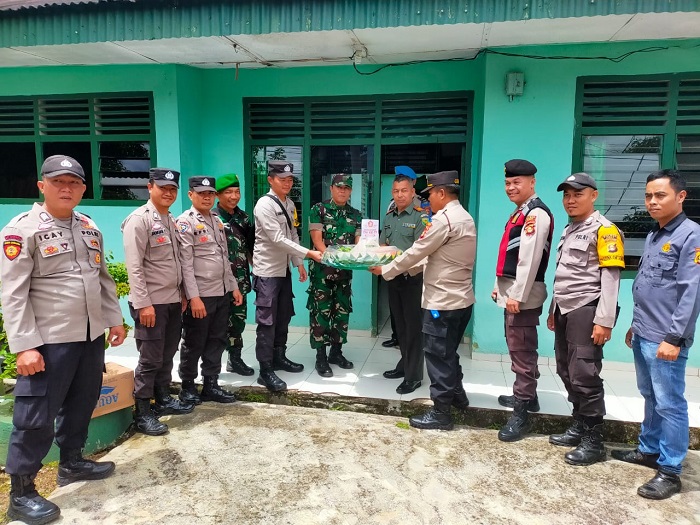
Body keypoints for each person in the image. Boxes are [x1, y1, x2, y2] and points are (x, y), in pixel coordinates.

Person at [1, 155, 125, 524]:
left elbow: (102, 279)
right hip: (49, 341)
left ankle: (71, 462)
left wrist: (114, 320)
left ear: (84, 188)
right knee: (35, 415)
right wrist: (24, 345)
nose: (67, 188)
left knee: (82, 401)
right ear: (42, 186)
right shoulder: (22, 229)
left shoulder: (89, 227)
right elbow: (13, 293)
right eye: (58, 181)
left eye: (74, 182)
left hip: (89, 336)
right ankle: (21, 493)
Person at [610, 169, 700, 499]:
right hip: (645, 332)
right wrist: (636, 324)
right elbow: (650, 285)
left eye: (659, 195)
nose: (652, 201)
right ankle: (648, 450)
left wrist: (674, 338)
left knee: (670, 403)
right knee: (649, 395)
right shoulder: (654, 234)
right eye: (648, 195)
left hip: (666, 338)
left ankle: (671, 470)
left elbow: (691, 293)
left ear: (680, 197)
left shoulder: (692, 236)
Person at [371, 170, 476, 429]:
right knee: (449, 351)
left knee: (438, 355)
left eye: (430, 194)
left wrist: (387, 271)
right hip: (461, 299)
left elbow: (417, 251)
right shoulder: (464, 217)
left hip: (442, 300)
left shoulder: (443, 220)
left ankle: (441, 413)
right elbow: (432, 258)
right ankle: (458, 397)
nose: (428, 200)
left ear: (441, 193)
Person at [546, 172, 624, 465]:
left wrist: (604, 320)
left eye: (577, 194)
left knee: (584, 372)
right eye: (566, 195)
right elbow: (564, 274)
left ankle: (594, 439)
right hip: (565, 308)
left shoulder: (605, 230)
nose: (570, 200)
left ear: (594, 195)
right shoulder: (570, 229)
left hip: (587, 309)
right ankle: (579, 422)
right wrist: (554, 309)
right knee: (565, 368)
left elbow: (610, 278)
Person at [122, 168, 194, 437]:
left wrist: (183, 294)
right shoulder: (139, 220)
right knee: (150, 358)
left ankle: (163, 399)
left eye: (172, 189)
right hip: (151, 303)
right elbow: (134, 266)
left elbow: (177, 262)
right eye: (162, 187)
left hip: (173, 300)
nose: (168, 193)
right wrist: (143, 304)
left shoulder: (170, 219)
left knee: (167, 354)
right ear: (149, 187)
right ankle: (142, 413)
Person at [492, 159, 554, 442]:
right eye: (507, 183)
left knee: (522, 351)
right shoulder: (520, 212)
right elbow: (509, 253)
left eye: (517, 182)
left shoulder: (536, 214)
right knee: (518, 347)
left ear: (532, 183)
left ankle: (522, 413)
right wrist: (499, 286)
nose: (511, 187)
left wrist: (516, 294)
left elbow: (530, 260)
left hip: (523, 296)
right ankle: (528, 397)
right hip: (513, 291)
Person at [253, 161, 322, 392]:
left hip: (284, 271)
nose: (287, 183)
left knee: (283, 316)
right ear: (271, 179)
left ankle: (278, 357)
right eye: (282, 179)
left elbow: (292, 233)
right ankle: (265, 370)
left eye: (290, 179)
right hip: (267, 272)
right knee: (267, 321)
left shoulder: (289, 203)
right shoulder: (264, 204)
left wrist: (299, 264)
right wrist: (309, 253)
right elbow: (277, 239)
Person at [176, 176, 243, 405]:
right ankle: (187, 386)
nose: (206, 197)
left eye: (210, 193)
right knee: (195, 341)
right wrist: (193, 298)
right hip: (201, 296)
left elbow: (224, 257)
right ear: (190, 195)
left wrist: (233, 286)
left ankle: (211, 384)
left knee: (217, 339)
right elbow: (185, 263)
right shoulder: (185, 222)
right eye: (201, 193)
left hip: (221, 292)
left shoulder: (215, 220)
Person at [379, 170, 430, 394]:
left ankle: (415, 375)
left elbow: (420, 253)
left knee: (414, 329)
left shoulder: (421, 217)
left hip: (413, 279)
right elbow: (382, 245)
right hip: (393, 278)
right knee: (400, 327)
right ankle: (404, 365)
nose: (400, 195)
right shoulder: (389, 216)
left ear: (412, 192)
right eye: (396, 191)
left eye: (404, 191)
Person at [307, 173, 362, 377]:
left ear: (350, 191)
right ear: (331, 188)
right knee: (321, 313)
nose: (342, 191)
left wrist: (362, 254)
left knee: (341, 313)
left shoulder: (356, 214)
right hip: (322, 272)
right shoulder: (318, 210)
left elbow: (358, 241)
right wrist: (332, 259)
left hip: (344, 275)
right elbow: (317, 241)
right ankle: (320, 357)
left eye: (346, 188)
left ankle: (336, 353)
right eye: (339, 187)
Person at [216, 173, 256, 376]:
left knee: (238, 321)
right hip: (216, 283)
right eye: (229, 192)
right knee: (216, 323)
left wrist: (257, 270)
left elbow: (251, 249)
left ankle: (235, 359)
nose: (234, 196)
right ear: (218, 194)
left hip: (240, 280)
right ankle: (211, 365)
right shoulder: (212, 218)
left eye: (237, 192)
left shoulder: (244, 218)